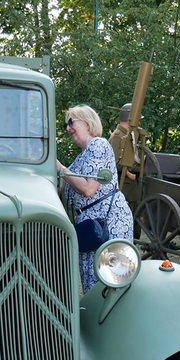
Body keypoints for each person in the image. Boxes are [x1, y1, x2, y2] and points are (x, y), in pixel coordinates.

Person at [57, 104, 134, 292]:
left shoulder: (98, 145)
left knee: (111, 284)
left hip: (109, 224)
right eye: (65, 125)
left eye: (71, 122)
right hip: (90, 228)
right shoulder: (81, 158)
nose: (67, 128)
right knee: (93, 286)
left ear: (87, 122)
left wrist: (59, 167)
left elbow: (89, 188)